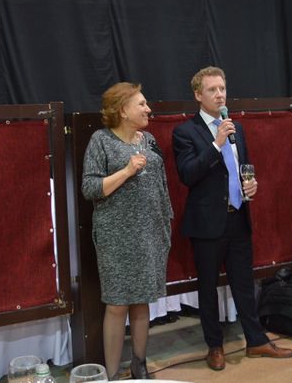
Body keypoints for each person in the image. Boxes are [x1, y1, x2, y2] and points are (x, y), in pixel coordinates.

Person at [172, 66, 292, 371]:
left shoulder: (236, 127)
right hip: (207, 223)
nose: (220, 95)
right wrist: (216, 143)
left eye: (222, 88)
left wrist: (250, 184)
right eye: (212, 90)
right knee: (208, 288)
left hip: (238, 216)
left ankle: (256, 340)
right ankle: (214, 346)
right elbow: (188, 174)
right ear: (198, 95)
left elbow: (243, 167)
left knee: (244, 283)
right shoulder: (185, 132)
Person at [82, 82, 173, 380]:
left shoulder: (148, 140)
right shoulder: (101, 141)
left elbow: (161, 184)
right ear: (123, 110)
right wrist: (127, 170)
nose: (149, 109)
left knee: (142, 301)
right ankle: (110, 374)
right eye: (142, 104)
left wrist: (165, 221)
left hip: (150, 233)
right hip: (116, 237)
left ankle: (139, 365)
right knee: (117, 304)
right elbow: (90, 187)